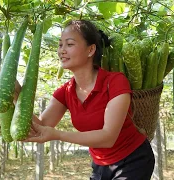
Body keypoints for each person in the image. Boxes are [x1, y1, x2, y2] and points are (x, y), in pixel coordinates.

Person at [18, 19, 155, 179]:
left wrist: (57, 134)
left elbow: (108, 137)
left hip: (133, 160)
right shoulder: (65, 91)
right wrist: (17, 95)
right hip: (100, 164)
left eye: (69, 44)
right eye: (60, 45)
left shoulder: (115, 82)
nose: (62, 50)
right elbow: (39, 127)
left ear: (90, 50)